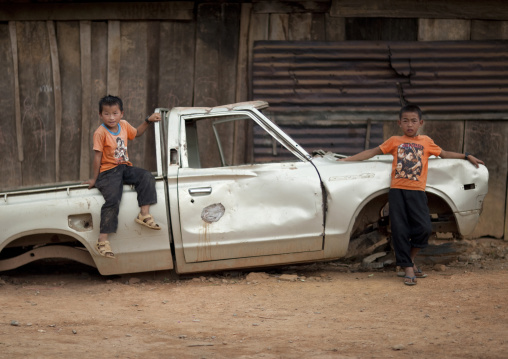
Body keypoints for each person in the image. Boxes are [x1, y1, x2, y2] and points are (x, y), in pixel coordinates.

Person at [339, 104, 484, 285]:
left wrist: (466, 156)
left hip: (417, 193)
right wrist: (347, 159)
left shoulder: (426, 142)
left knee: (424, 228)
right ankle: (407, 268)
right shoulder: (394, 141)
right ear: (399, 123)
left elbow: (445, 154)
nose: (409, 124)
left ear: (420, 123)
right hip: (397, 192)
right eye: (405, 121)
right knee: (399, 229)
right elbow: (372, 152)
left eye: (413, 121)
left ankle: (409, 259)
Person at [83, 95, 162, 258]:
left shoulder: (124, 126)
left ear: (121, 113)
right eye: (106, 113)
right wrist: (94, 179)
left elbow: (137, 133)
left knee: (146, 176)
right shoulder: (100, 133)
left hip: (124, 167)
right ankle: (102, 241)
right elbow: (97, 157)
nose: (111, 117)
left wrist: (148, 120)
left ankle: (144, 214)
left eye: (115, 113)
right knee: (113, 199)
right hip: (108, 172)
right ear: (100, 115)